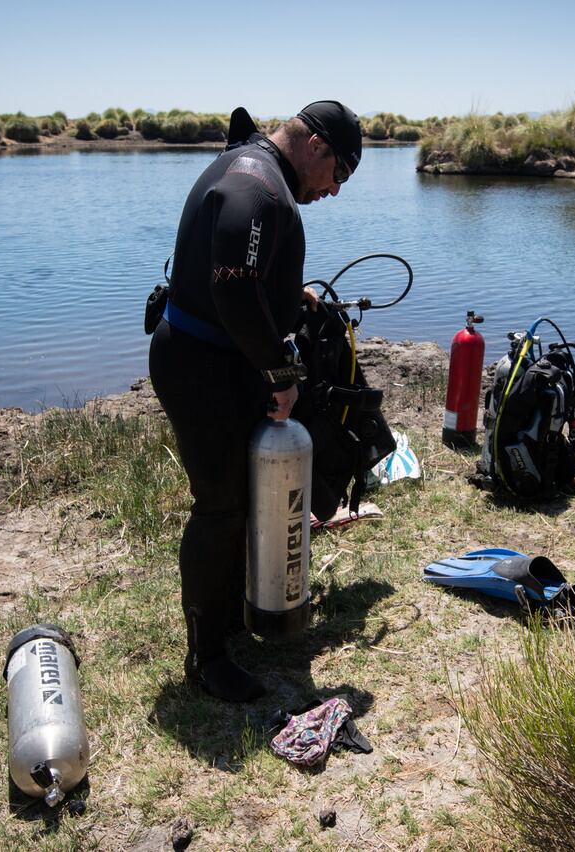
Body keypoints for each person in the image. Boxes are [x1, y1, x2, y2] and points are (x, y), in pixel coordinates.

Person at [148, 101, 362, 702]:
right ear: (316, 146)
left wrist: (292, 292)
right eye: (340, 172)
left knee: (239, 500)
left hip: (214, 357)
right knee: (219, 506)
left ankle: (230, 622)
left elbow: (232, 258)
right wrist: (282, 370)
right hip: (199, 363)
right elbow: (234, 288)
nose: (336, 189)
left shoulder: (250, 167)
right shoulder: (261, 189)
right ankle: (206, 656)